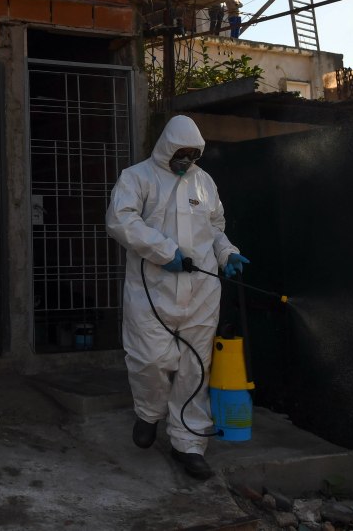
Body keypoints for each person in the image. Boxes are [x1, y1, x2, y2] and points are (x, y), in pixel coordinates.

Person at [105, 115, 249, 480]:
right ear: (166, 148)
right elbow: (120, 220)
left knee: (194, 369)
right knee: (151, 360)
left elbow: (215, 227)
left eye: (193, 155)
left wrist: (226, 253)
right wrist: (164, 251)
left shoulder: (204, 182)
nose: (186, 161)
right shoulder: (137, 177)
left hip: (201, 293)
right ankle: (148, 413)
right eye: (180, 154)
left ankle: (188, 443)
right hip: (152, 291)